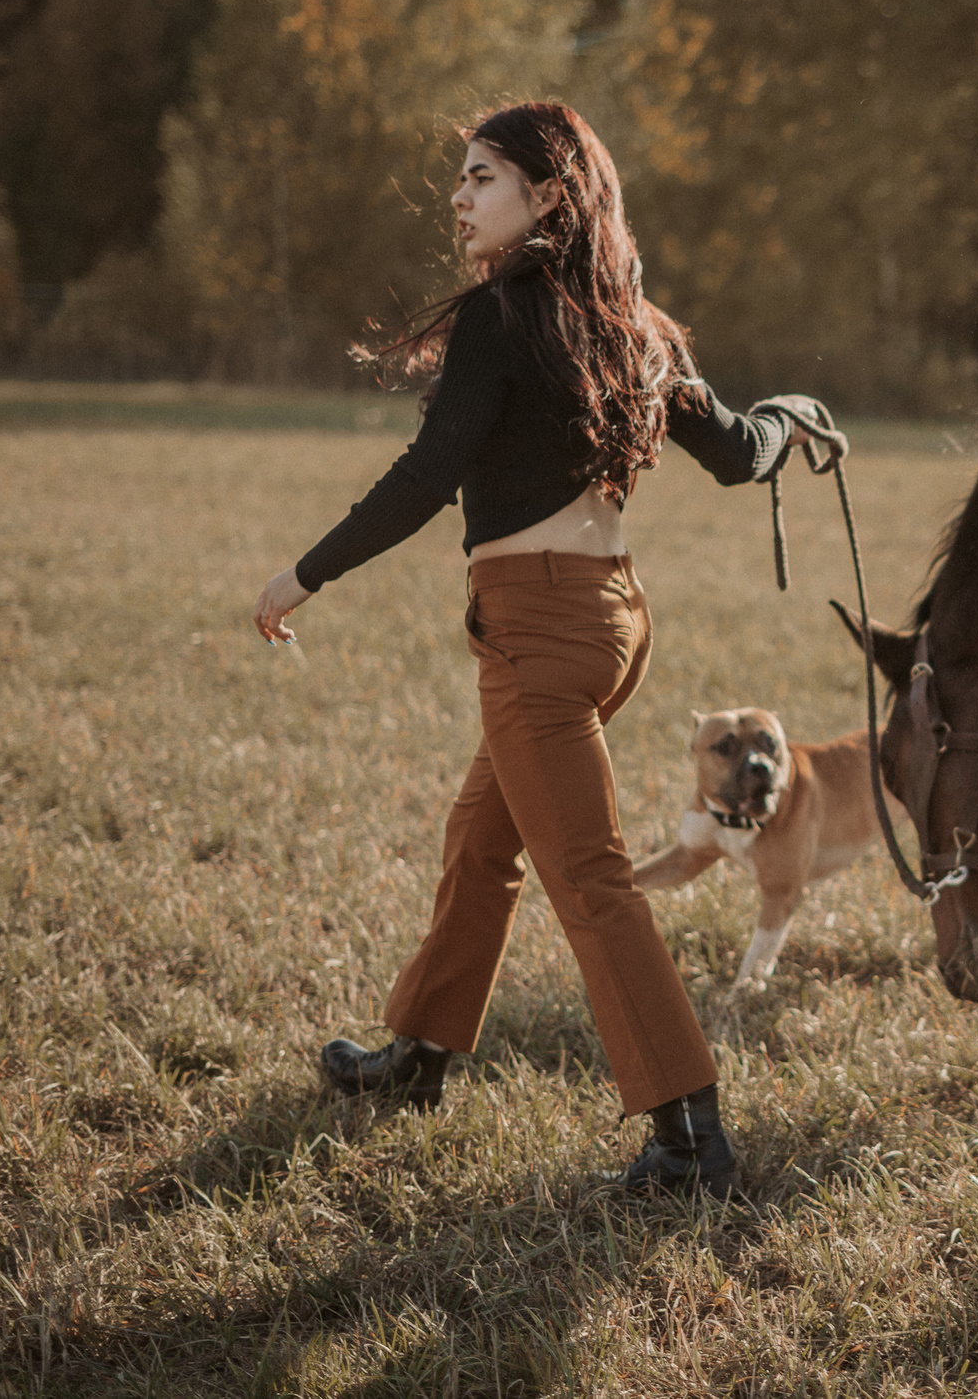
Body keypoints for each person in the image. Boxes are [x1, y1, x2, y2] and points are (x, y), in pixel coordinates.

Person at [250, 100, 839, 1199]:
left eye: (481, 177)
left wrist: (302, 574)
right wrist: (792, 416)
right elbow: (742, 453)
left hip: (540, 630)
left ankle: (688, 1141)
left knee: (589, 878)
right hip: (610, 623)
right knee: (483, 838)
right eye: (460, 180)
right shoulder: (637, 326)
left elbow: (428, 476)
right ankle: (420, 1058)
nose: (459, 198)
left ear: (549, 196)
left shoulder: (504, 316)